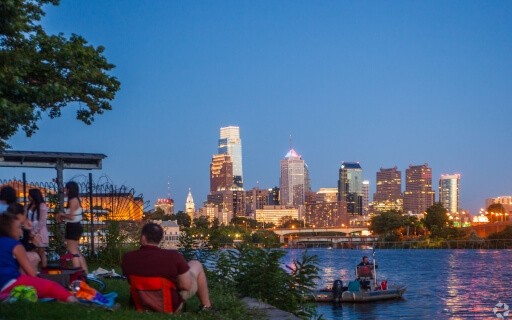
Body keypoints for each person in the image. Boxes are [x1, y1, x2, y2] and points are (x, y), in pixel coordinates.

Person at [121, 223, 212, 312]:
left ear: (143, 238)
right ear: (160, 239)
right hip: (169, 306)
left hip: (141, 303)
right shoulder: (173, 256)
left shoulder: (128, 257)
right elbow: (186, 286)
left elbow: (131, 280)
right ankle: (206, 307)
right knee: (196, 264)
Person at [0, 203, 77, 302]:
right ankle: (75, 301)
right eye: (19, 227)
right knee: (51, 286)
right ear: (9, 229)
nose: (21, 232)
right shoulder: (15, 245)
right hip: (9, 282)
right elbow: (31, 273)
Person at [57, 181, 88, 274]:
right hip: (75, 226)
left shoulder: (72, 200)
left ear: (69, 189)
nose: (65, 190)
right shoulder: (75, 199)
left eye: (66, 188)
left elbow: (71, 216)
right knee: (76, 251)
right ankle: (84, 273)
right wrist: (64, 217)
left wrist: (61, 214)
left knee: (73, 252)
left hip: (73, 227)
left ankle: (78, 273)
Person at [26, 188, 50, 268]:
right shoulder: (29, 206)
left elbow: (42, 221)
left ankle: (44, 271)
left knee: (41, 253)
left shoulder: (42, 206)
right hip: (30, 231)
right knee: (31, 252)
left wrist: (34, 232)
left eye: (29, 195)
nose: (28, 196)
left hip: (39, 232)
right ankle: (34, 270)